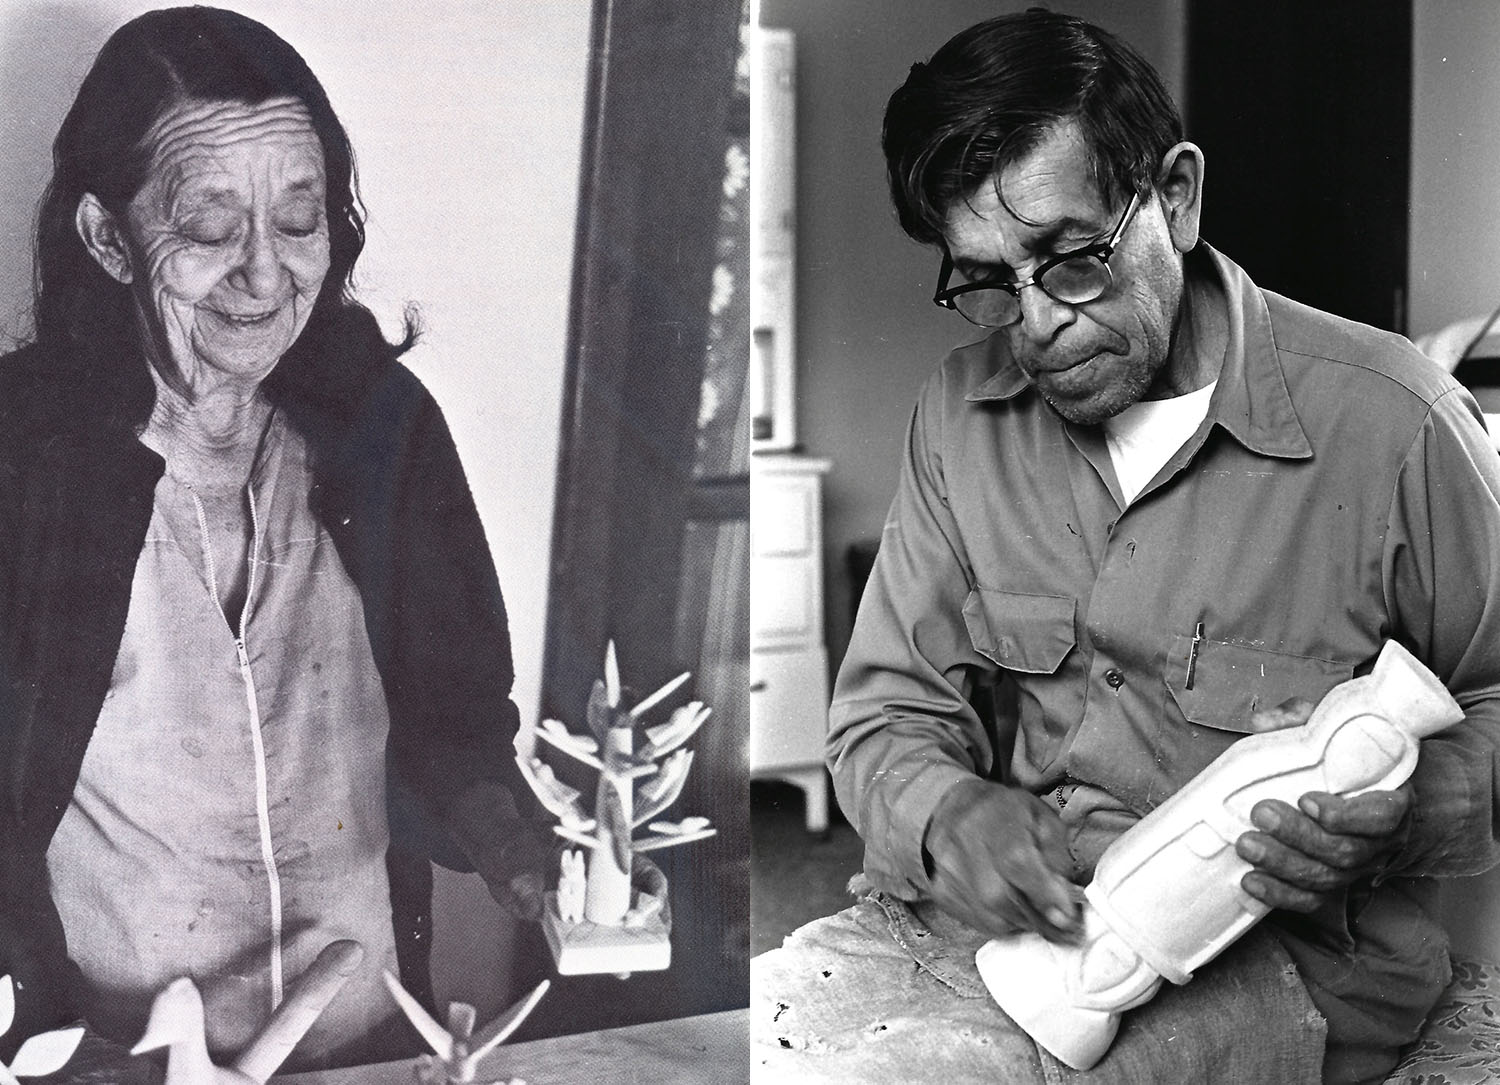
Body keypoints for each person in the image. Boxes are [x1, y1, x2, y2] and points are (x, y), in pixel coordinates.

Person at [752, 10, 1500, 1084]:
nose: (1034, 322)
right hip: (1019, 940)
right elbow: (883, 716)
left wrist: (1409, 813)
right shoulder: (959, 417)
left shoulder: (1400, 423)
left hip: (1281, 963)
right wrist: (950, 809)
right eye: (985, 279)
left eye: (1066, 260)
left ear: (1177, 196)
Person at [0, 7, 549, 1073]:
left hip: (369, 1042)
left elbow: (456, 712)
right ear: (109, 238)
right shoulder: (20, 462)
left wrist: (504, 830)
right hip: (107, 1060)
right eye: (208, 231)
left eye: (300, 220)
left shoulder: (387, 429)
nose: (267, 274)